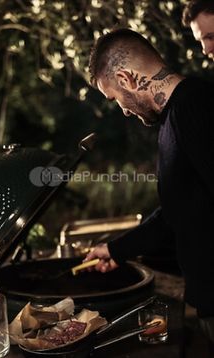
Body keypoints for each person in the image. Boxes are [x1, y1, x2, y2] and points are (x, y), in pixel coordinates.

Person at [84, 28, 214, 355]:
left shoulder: (195, 106)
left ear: (125, 78)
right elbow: (179, 210)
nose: (124, 111)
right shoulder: (172, 120)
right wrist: (117, 249)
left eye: (114, 99)